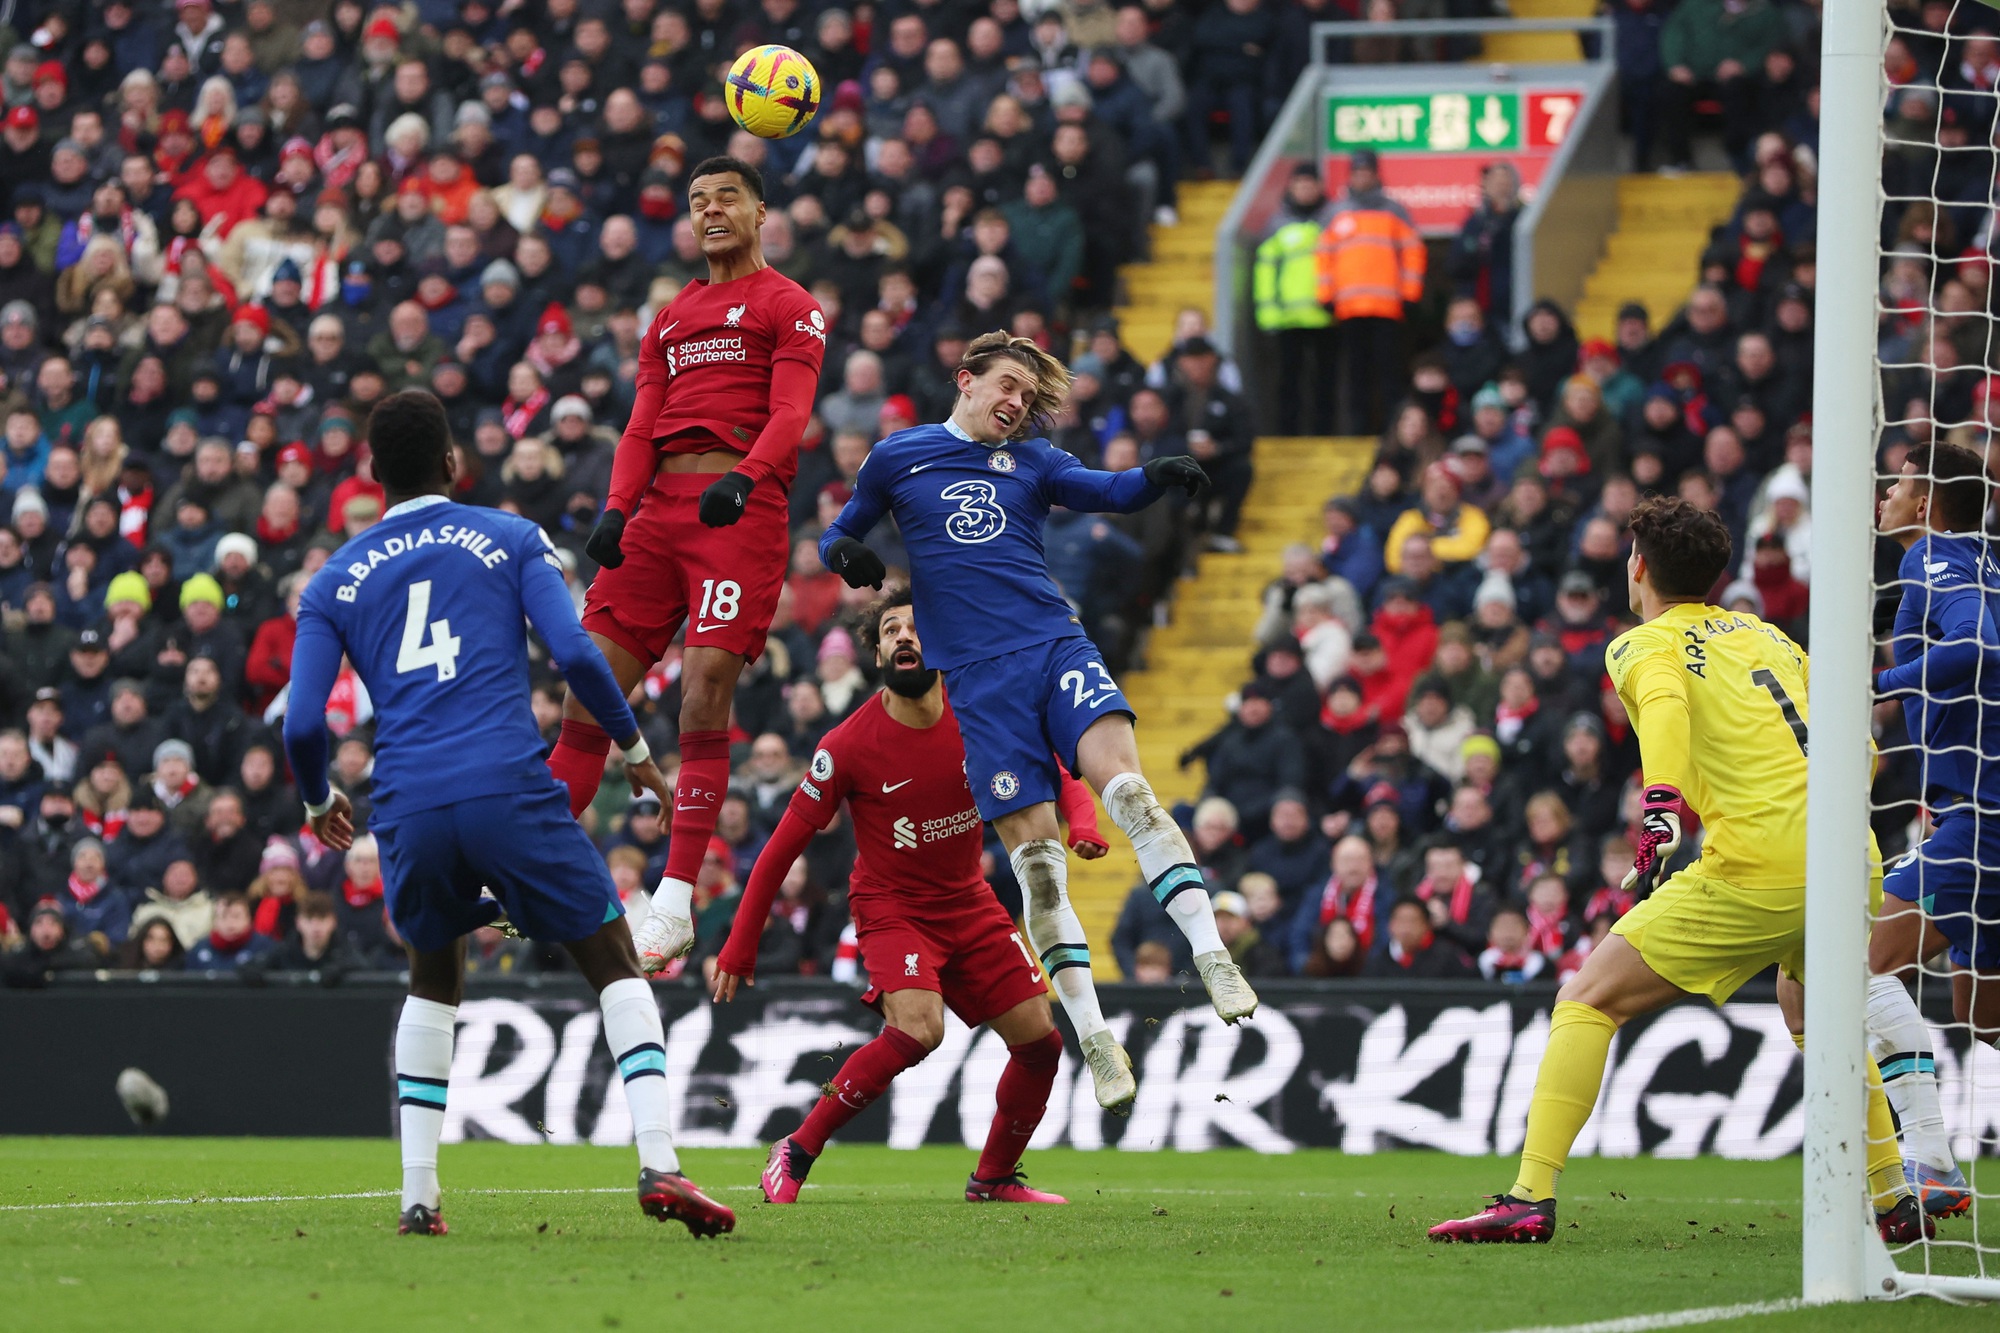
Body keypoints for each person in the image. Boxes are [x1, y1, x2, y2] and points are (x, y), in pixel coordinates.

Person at [280, 389, 731, 1239]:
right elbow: (574, 654)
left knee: (433, 976)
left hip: (406, 801)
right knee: (613, 958)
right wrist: (634, 752)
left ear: (373, 475)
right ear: (454, 462)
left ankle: (419, 1196)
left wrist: (316, 800)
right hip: (507, 787)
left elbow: (304, 723)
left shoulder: (334, 578)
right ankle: (660, 1160)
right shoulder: (508, 536)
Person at [1429, 497, 1927, 1244]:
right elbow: (1854, 739)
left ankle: (1529, 1194)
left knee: (1588, 998)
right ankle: (1892, 1193)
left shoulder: (1640, 644)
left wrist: (1659, 805)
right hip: (1848, 853)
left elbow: (1662, 708)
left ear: (1637, 565)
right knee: (1812, 1013)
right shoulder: (1768, 634)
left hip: (1761, 863)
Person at [818, 332, 1254, 1117]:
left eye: (1027, 394)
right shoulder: (900, 457)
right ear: (967, 381)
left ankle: (1213, 954)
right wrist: (844, 549)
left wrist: (1154, 474)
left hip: (1054, 644)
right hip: (980, 686)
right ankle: (1094, 1038)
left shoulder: (1036, 461)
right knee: (1039, 870)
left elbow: (1109, 490)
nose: (1017, 403)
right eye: (1008, 387)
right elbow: (839, 528)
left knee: (1132, 793)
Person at [542, 156, 825, 977]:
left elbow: (791, 413)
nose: (709, 211)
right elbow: (638, 426)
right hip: (657, 513)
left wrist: (745, 477)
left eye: (726, 197)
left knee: (706, 683)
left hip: (737, 512)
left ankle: (674, 901)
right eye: (698, 200)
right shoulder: (669, 317)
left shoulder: (792, 306)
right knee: (586, 684)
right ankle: (541, 877)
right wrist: (616, 509)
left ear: (760, 211)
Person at [716, 589, 1092, 1204]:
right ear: (877, 651)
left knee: (1041, 1043)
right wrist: (739, 944)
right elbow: (781, 849)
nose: (904, 638)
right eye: (891, 630)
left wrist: (1085, 824)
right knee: (920, 1030)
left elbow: (1059, 762)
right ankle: (798, 1148)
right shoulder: (846, 745)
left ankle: (993, 1179)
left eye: (917, 628)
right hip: (894, 905)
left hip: (969, 901)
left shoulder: (982, 712)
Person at [1867, 442, 1998, 1217]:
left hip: (1980, 821)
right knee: (1981, 1012)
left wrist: (1876, 684)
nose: (1885, 493)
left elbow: (1976, 643)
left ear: (1924, 501)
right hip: (1972, 811)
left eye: (1899, 481)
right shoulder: (1983, 557)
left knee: (1859, 962)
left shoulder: (1933, 561)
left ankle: (1931, 1162)